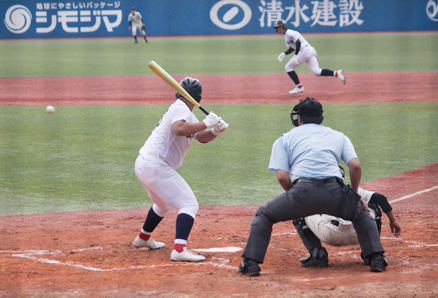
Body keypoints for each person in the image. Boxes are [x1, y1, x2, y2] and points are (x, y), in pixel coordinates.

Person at [238, 97, 386, 277]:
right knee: (361, 214)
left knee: (264, 214)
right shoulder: (338, 136)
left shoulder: (285, 139)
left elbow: (282, 176)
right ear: (321, 116)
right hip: (335, 192)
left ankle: (251, 264)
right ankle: (376, 258)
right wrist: (353, 195)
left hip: (302, 192)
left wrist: (295, 197)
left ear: (299, 118)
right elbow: (355, 166)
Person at [132, 77, 229, 262]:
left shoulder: (185, 112)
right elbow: (179, 129)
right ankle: (179, 249)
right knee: (189, 205)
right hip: (155, 166)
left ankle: (142, 238)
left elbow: (201, 137)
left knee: (163, 205)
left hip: (146, 164)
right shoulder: (180, 108)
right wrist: (206, 122)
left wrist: (216, 130)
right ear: (199, 99)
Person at [294, 176, 401, 267]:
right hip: (358, 233)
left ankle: (317, 255)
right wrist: (393, 220)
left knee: (300, 212)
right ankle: (373, 255)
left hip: (330, 235)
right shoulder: (352, 190)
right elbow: (381, 199)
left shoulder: (316, 193)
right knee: (374, 208)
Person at [273, 20, 345, 94]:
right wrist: (285, 53)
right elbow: (293, 47)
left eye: (278, 28)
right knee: (317, 71)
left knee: (288, 67)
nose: (277, 30)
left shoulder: (289, 33)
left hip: (304, 51)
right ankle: (337, 73)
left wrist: (296, 55)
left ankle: (299, 87)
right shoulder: (287, 35)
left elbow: (298, 42)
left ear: (283, 27)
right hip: (308, 50)